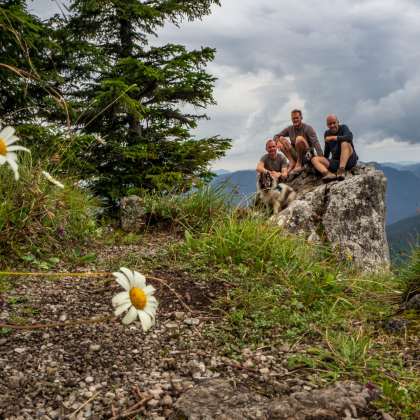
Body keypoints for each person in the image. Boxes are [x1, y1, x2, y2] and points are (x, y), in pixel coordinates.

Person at [311, 115, 358, 183]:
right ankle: (328, 174)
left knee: (344, 142)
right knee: (314, 159)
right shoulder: (327, 133)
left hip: (349, 160)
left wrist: (332, 137)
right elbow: (327, 149)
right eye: (330, 124)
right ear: (327, 125)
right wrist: (323, 159)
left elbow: (349, 138)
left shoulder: (343, 128)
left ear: (338, 122)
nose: (332, 125)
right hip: (336, 162)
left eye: (334, 123)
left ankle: (341, 170)